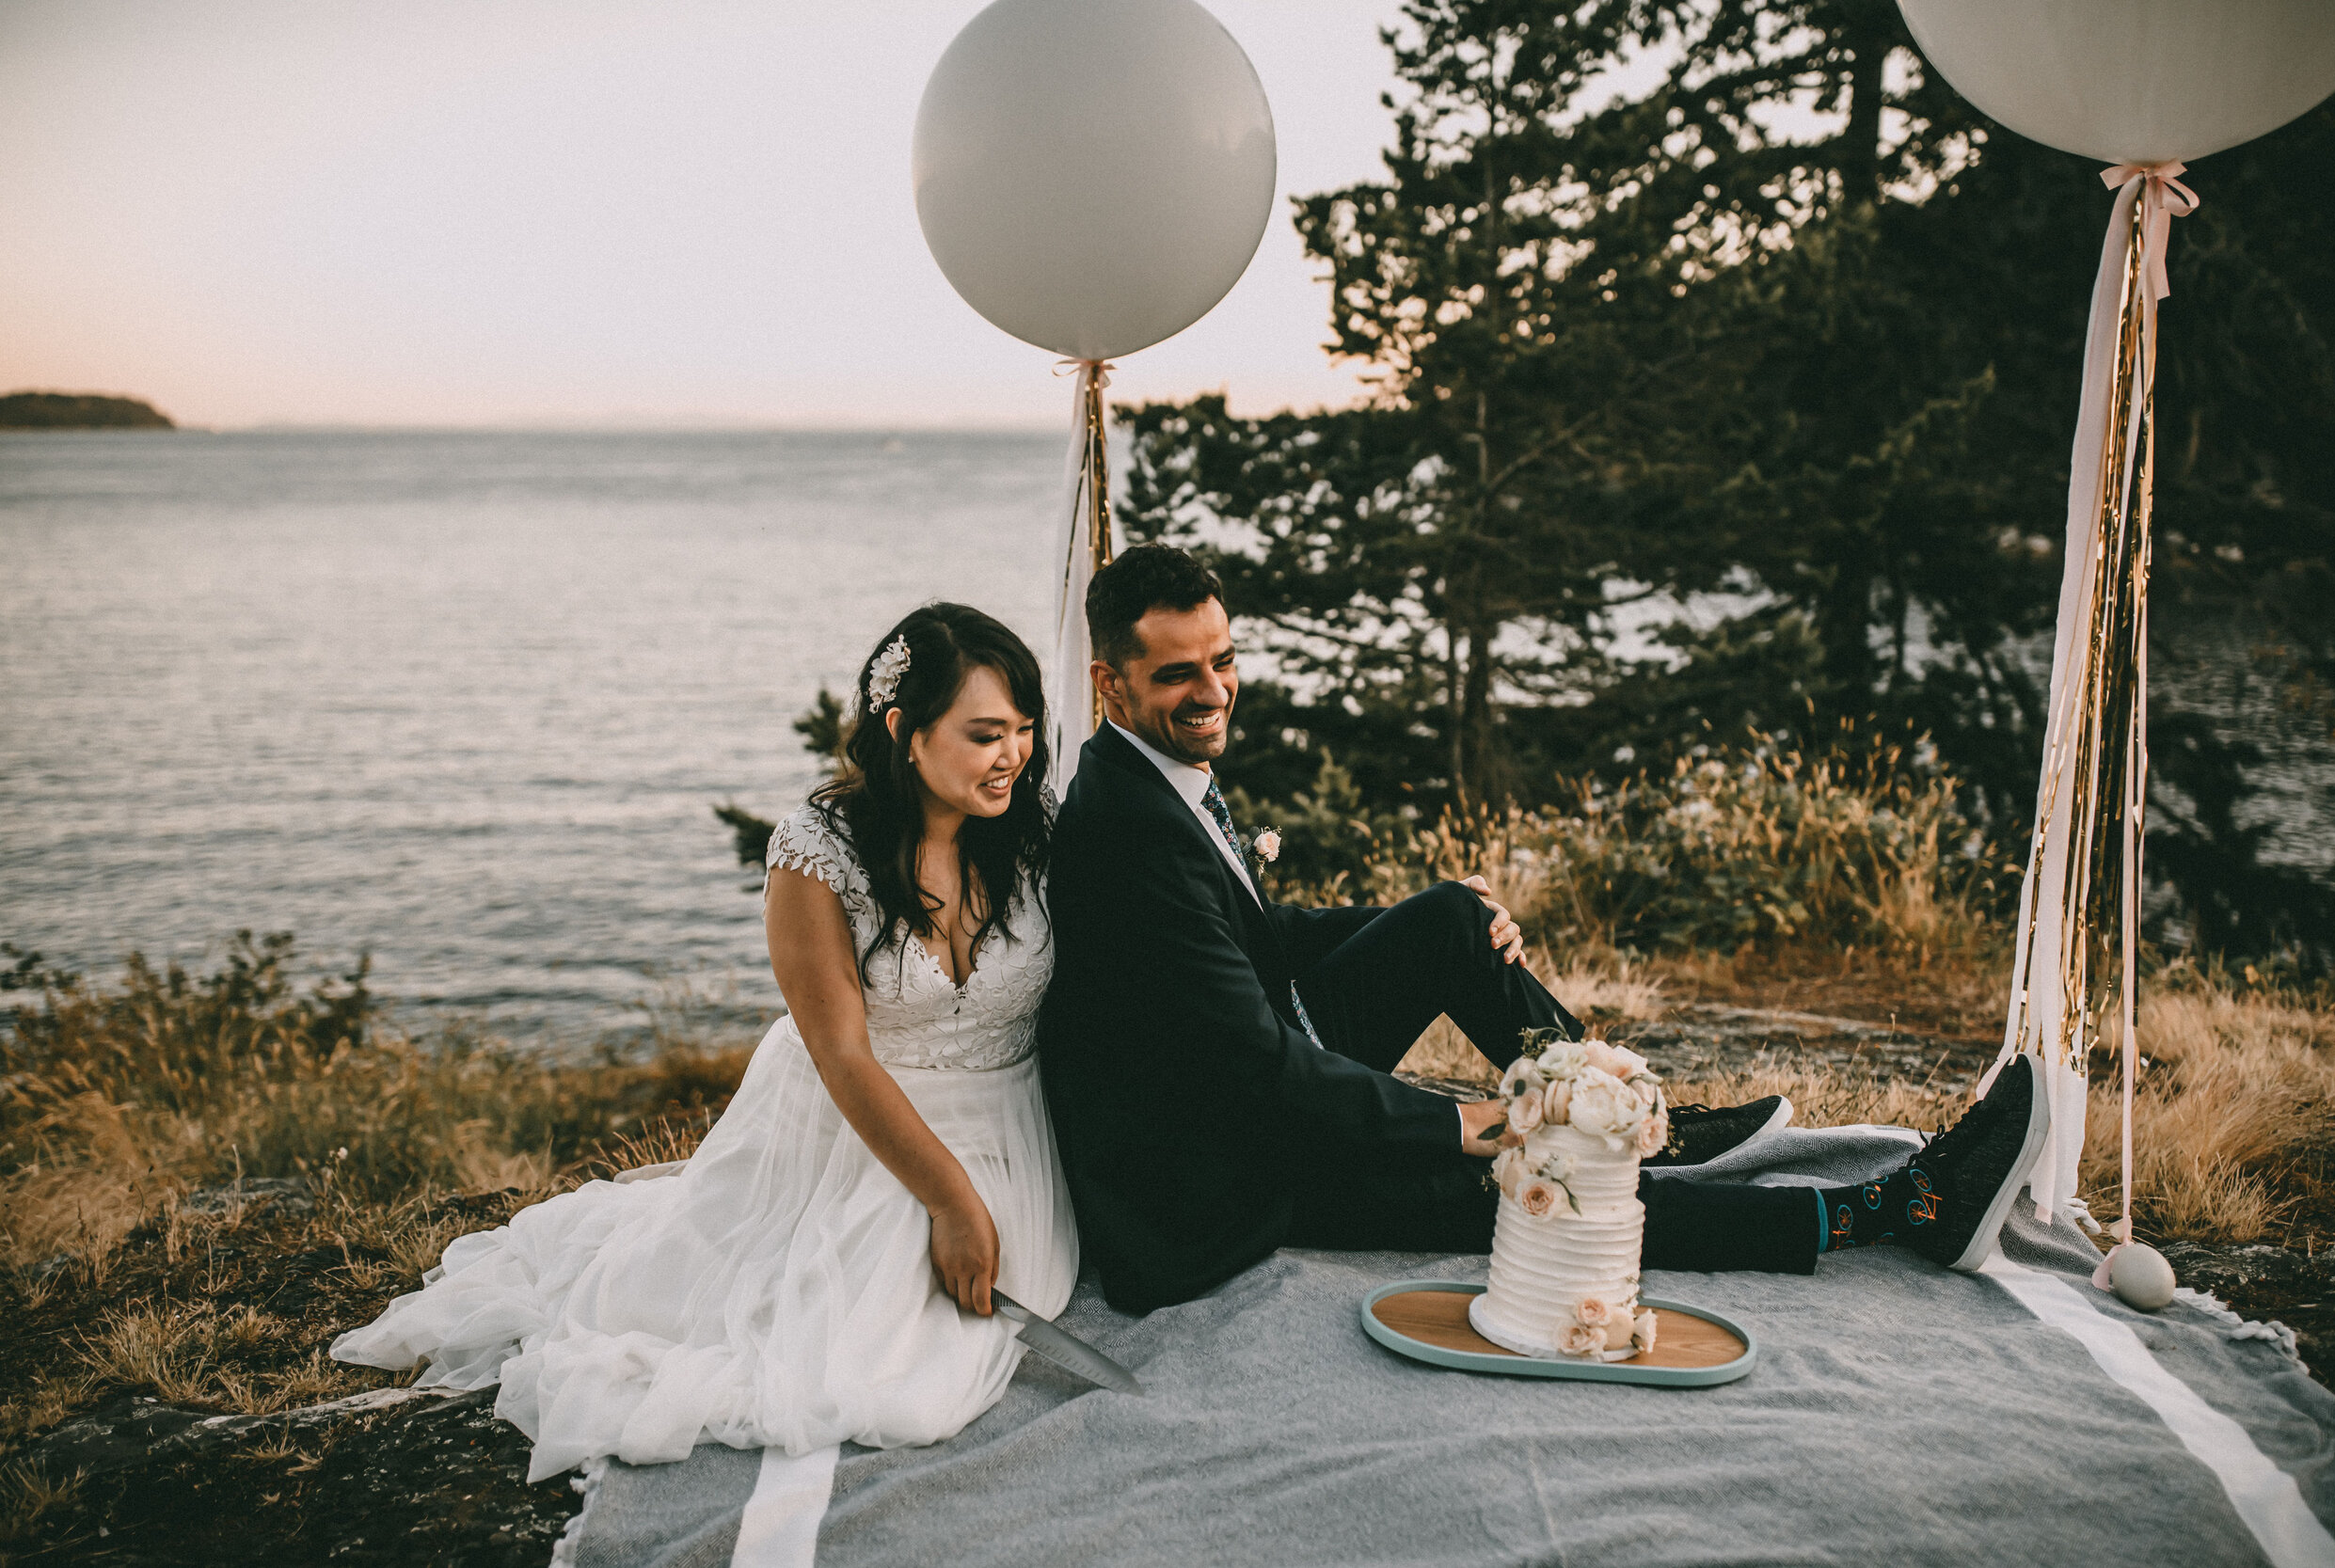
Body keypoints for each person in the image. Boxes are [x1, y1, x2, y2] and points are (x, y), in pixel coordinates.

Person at [1040, 545, 2047, 1316]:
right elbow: (1254, 1073)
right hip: (1214, 1176)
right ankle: (1896, 1207)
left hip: (1246, 1079)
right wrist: (1453, 1119)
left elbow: (1253, 933)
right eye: (1178, 674)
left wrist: (1437, 916)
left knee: (1452, 918)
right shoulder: (1124, 835)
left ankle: (1624, 1108)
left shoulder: (1145, 774)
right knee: (1531, 1179)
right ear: (1111, 681)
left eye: (1221, 660)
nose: (1212, 692)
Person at [333, 603, 1078, 1481]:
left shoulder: (1037, 831)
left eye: (1026, 730)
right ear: (905, 732)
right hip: (859, 1131)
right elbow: (842, 1054)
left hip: (1012, 1129)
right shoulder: (818, 853)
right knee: (864, 1368)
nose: (1015, 755)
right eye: (986, 733)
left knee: (955, 1340)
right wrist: (951, 1202)